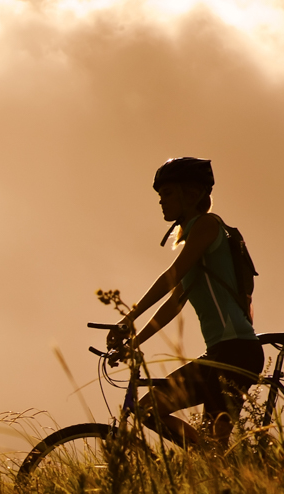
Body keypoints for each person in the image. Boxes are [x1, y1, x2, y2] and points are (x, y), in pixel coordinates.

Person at [108, 157, 262, 449]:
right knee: (210, 447)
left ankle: (226, 468)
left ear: (191, 194)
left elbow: (172, 275)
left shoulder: (207, 226)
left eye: (167, 193)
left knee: (153, 413)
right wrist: (135, 342)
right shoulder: (200, 248)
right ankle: (216, 466)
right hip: (225, 353)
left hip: (234, 353)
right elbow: (174, 303)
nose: (161, 202)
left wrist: (128, 318)